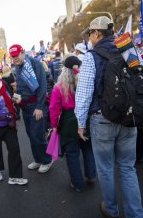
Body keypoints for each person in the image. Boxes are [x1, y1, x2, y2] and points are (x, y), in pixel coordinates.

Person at [75, 16, 143, 218]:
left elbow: (84, 93)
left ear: (97, 33)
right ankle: (135, 214)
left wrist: (80, 123)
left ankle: (111, 210)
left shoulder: (91, 56)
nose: (90, 38)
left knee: (105, 169)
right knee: (127, 168)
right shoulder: (130, 51)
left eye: (90, 34)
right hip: (129, 118)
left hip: (102, 119)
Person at [49, 55, 96, 192]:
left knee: (72, 154)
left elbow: (54, 109)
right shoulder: (86, 83)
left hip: (68, 122)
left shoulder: (59, 87)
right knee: (88, 149)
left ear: (64, 70)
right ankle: (91, 175)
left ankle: (77, 183)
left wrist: (54, 126)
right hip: (85, 118)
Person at [9, 44, 52, 173]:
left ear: (22, 52)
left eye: (16, 56)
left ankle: (47, 160)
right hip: (25, 106)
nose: (14, 59)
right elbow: (21, 87)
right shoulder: (17, 67)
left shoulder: (35, 64)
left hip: (36, 106)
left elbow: (43, 88)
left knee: (37, 135)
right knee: (30, 135)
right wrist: (17, 97)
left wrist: (39, 107)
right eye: (12, 57)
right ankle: (38, 159)